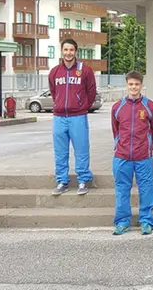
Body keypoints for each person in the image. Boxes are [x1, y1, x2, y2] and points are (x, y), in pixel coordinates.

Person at [111, 71, 153, 236]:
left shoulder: (150, 106)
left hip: (143, 156)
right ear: (127, 85)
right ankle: (122, 221)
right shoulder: (117, 107)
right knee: (121, 189)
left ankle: (146, 221)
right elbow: (115, 129)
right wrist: (119, 144)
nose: (134, 87)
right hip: (122, 156)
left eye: (137, 84)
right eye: (131, 84)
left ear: (141, 86)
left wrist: (150, 146)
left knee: (146, 188)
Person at [49, 38, 97, 196]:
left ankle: (83, 180)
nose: (68, 53)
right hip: (59, 118)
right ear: (62, 51)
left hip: (78, 117)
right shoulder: (55, 72)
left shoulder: (85, 71)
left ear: (76, 52)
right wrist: (59, 104)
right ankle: (62, 181)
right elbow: (54, 92)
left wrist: (82, 106)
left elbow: (91, 92)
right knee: (60, 152)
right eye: (66, 50)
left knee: (81, 149)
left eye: (71, 50)